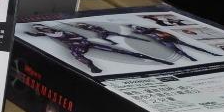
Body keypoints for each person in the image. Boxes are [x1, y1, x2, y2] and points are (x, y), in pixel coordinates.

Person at [26, 24, 172, 74]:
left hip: (84, 41)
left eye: (43, 28)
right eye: (41, 29)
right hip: (77, 46)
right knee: (76, 55)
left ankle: (150, 58)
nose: (43, 29)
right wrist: (35, 33)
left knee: (118, 50)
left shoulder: (56, 31)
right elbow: (40, 33)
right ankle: (91, 66)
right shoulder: (48, 33)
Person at [129, 25, 221, 61]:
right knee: (177, 50)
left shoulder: (149, 29)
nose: (140, 28)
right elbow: (143, 31)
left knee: (191, 46)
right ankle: (190, 58)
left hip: (169, 38)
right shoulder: (144, 31)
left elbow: (150, 29)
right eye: (138, 28)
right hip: (164, 40)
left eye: (139, 27)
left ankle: (210, 53)